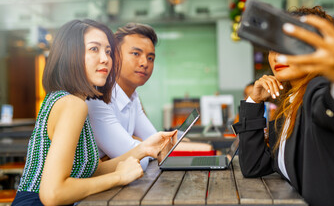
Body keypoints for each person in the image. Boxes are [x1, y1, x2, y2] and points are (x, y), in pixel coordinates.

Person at [12, 19, 177, 206]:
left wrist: (143, 149)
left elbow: (94, 170)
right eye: (94, 49)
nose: (105, 58)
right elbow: (52, 194)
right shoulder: (73, 104)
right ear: (70, 55)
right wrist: (119, 177)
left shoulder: (73, 100)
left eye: (108, 51)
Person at [234, 6, 334, 206]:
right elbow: (253, 166)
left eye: (288, 45)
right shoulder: (288, 104)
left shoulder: (316, 91)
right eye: (272, 46)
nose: (276, 56)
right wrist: (253, 101)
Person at [87, 23, 212, 170]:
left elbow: (158, 146)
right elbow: (141, 161)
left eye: (150, 58)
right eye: (136, 54)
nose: (144, 63)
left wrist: (137, 143)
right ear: (114, 56)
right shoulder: (97, 99)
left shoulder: (132, 97)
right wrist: (141, 146)